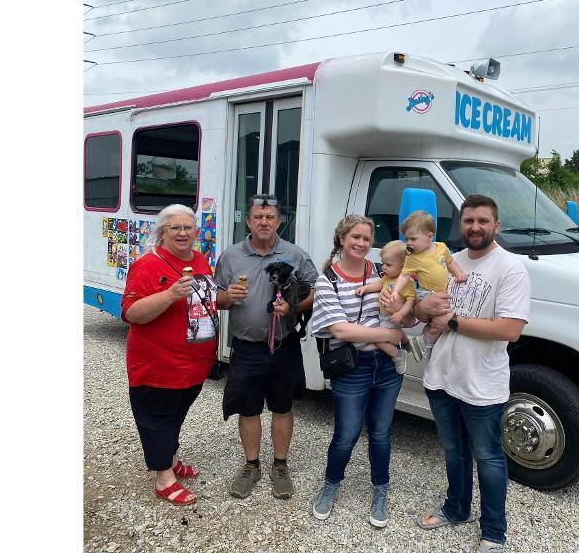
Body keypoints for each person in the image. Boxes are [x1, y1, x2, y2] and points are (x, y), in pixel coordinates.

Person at [414, 194, 531, 553]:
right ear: (460, 224)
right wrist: (423, 309)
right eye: (469, 221)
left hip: (482, 384)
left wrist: (451, 322)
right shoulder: (448, 261)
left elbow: (510, 329)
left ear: (496, 226)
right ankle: (456, 509)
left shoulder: (510, 268)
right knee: (454, 451)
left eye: (483, 221)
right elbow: (421, 309)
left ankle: (494, 532)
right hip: (441, 376)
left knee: (489, 458)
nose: (475, 227)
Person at [214, 194, 318, 500]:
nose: (264, 222)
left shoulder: (295, 254)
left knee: (282, 406)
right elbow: (216, 298)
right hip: (247, 347)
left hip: (284, 346)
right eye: (258, 217)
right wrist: (227, 297)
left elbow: (317, 291)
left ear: (279, 221)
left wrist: (294, 306)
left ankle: (280, 466)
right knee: (248, 409)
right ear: (248, 221)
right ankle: (251, 466)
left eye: (270, 217)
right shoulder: (231, 256)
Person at [311, 215, 410, 528]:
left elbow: (405, 314)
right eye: (355, 237)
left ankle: (380, 488)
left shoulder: (382, 271)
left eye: (367, 239)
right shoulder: (327, 280)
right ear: (342, 239)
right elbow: (341, 331)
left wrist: (401, 315)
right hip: (352, 367)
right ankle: (331, 483)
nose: (361, 243)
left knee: (381, 433)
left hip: (387, 367)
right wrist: (390, 335)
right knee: (346, 434)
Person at [121, 204, 218, 506]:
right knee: (157, 420)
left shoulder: (200, 260)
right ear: (162, 231)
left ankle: (170, 459)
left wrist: (228, 298)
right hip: (158, 364)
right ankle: (164, 478)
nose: (182, 233)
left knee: (176, 416)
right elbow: (131, 313)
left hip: (193, 365)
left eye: (188, 227)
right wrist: (170, 294)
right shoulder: (147, 265)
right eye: (175, 227)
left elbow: (204, 301)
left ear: (196, 232)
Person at [389, 211, 467, 360]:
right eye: (406, 239)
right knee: (446, 317)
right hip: (426, 293)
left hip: (442, 292)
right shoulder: (413, 257)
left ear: (429, 236)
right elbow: (404, 275)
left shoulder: (441, 248)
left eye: (413, 239)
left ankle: (425, 342)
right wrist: (396, 291)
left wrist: (459, 273)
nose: (408, 243)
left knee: (439, 320)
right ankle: (425, 342)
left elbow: (450, 262)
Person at [354, 239, 417, 374]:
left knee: (378, 340)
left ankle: (398, 355)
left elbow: (410, 301)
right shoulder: (388, 277)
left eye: (388, 264)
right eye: (383, 263)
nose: (384, 267)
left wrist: (400, 313)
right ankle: (406, 343)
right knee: (393, 333)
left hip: (392, 317)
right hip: (383, 315)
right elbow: (379, 284)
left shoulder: (406, 283)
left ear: (403, 266)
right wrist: (366, 288)